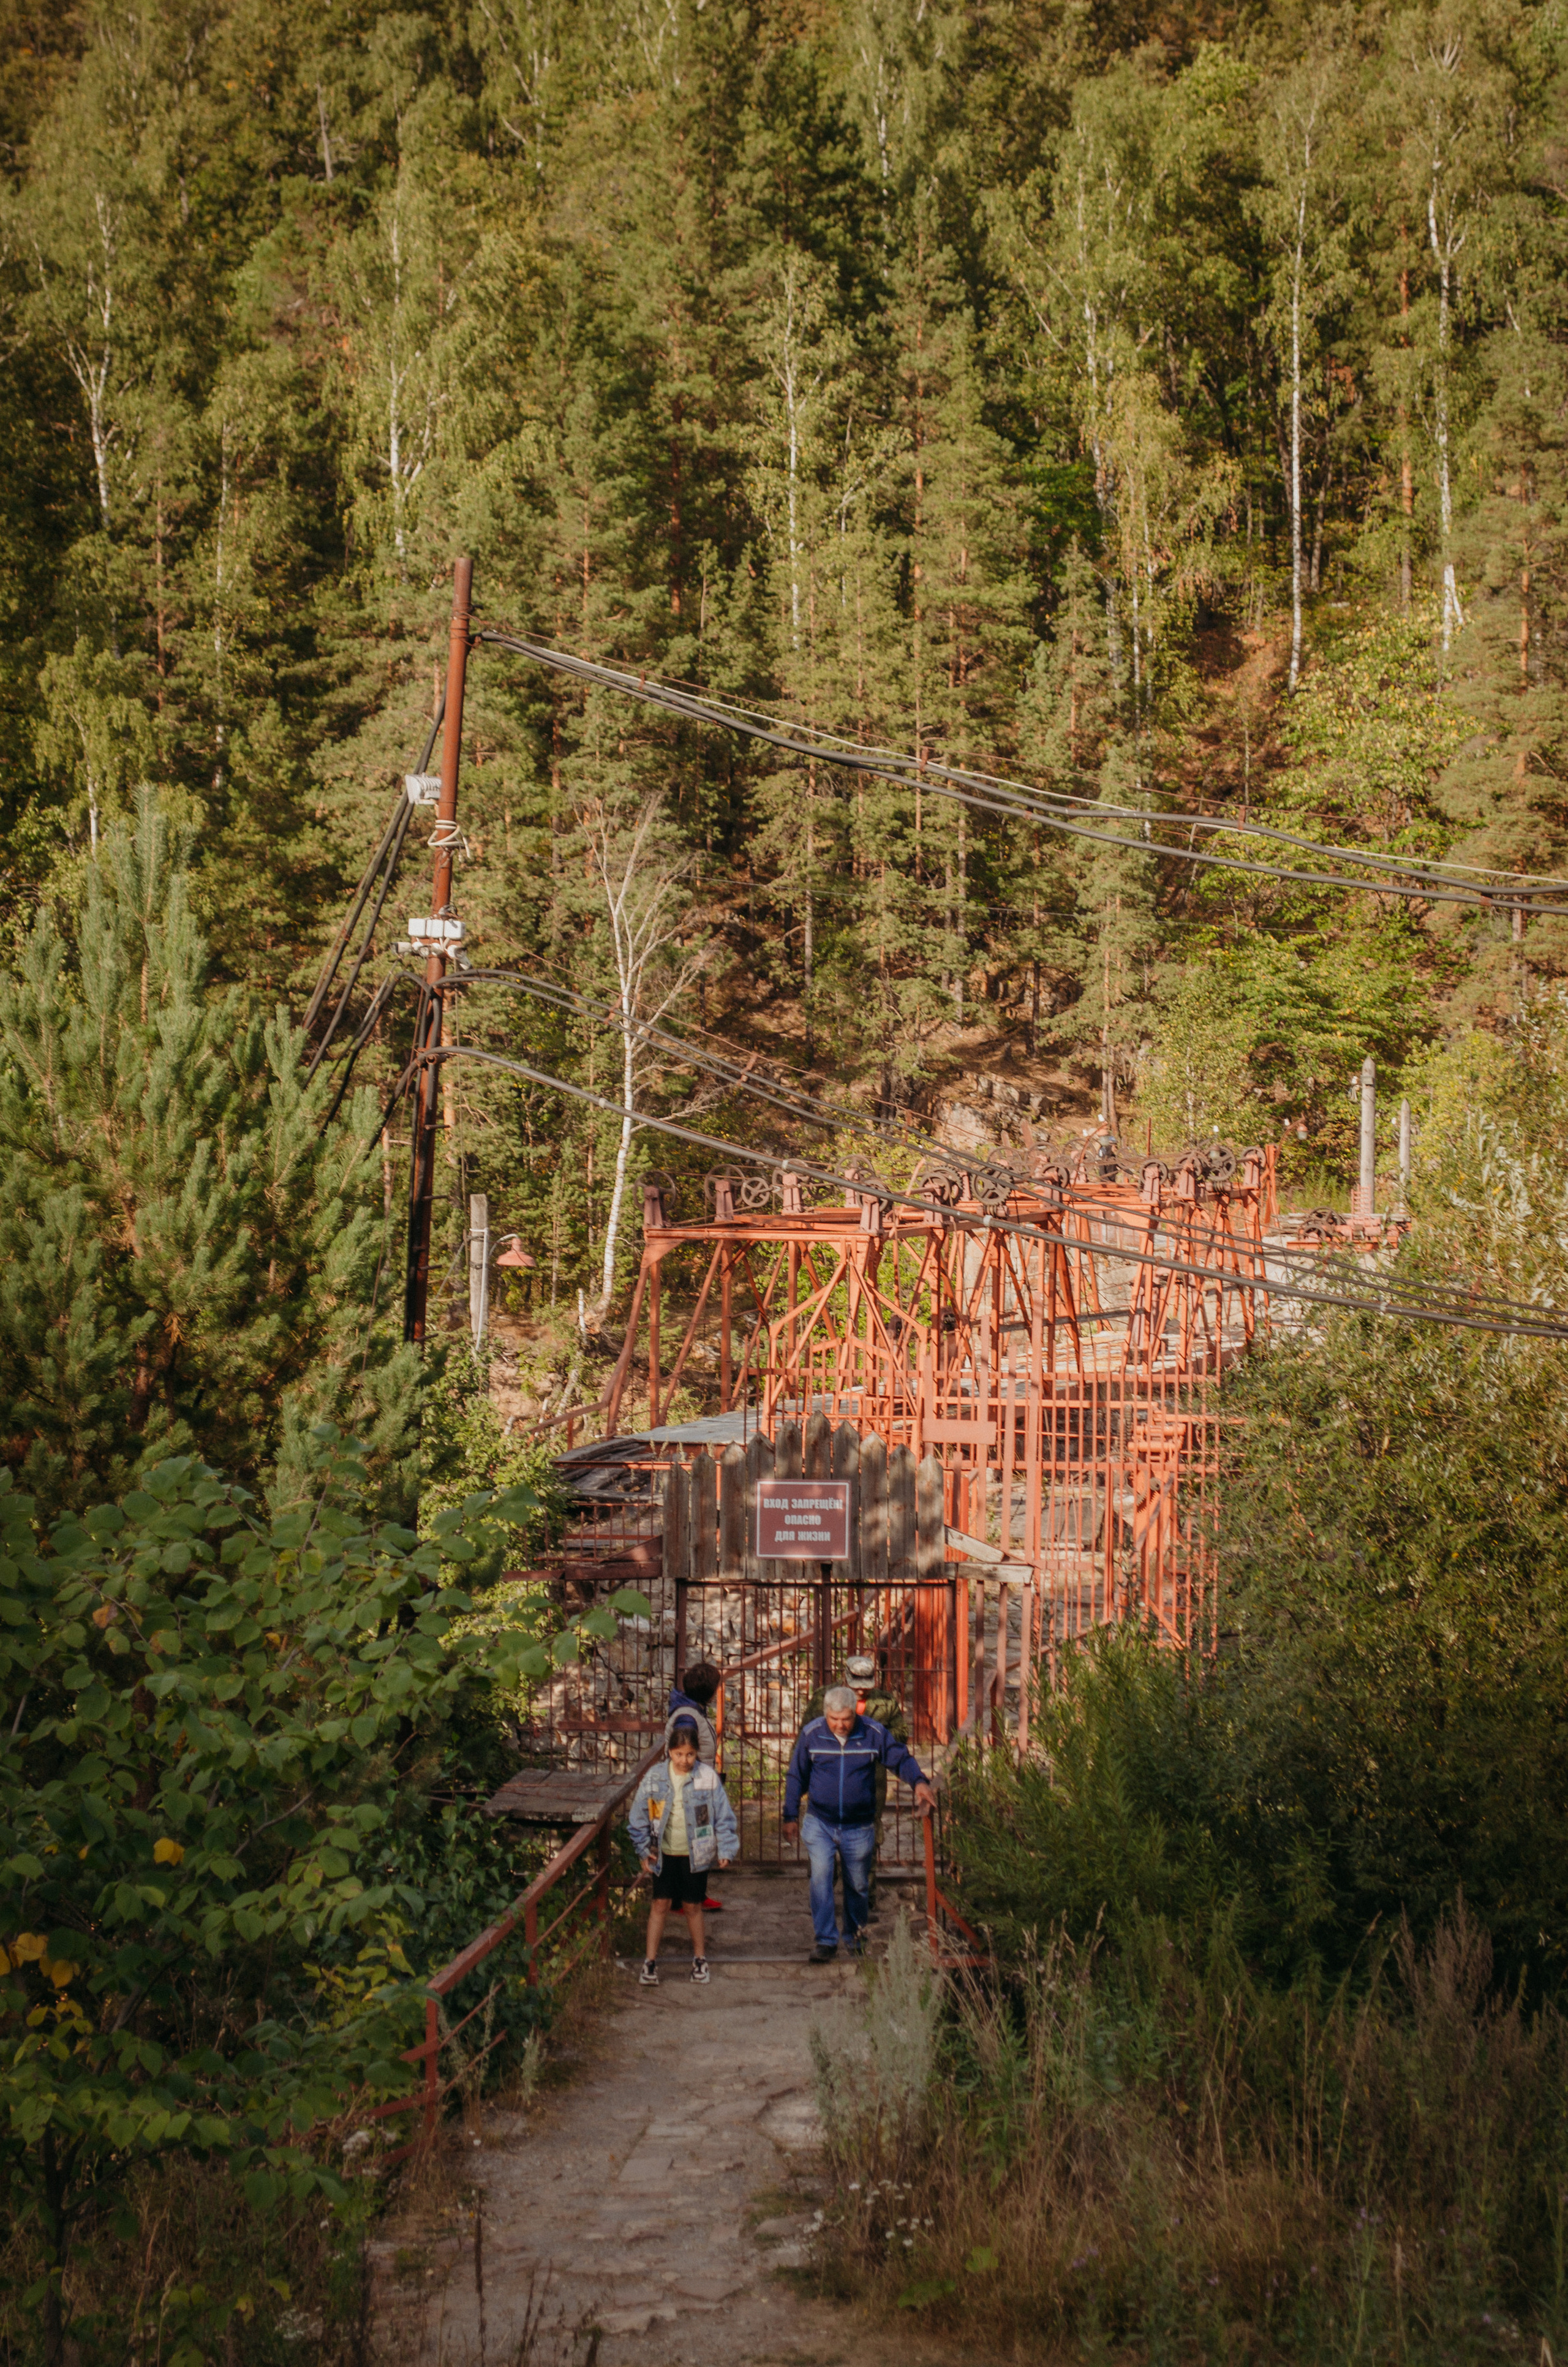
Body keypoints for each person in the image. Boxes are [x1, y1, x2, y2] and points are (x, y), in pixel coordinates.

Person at [782, 1685, 936, 1962]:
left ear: (856, 1714)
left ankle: (854, 1936)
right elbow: (796, 1776)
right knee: (821, 1878)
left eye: (846, 1719)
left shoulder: (873, 1733)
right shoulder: (812, 1735)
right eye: (834, 1719)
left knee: (858, 1885)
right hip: (821, 1823)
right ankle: (826, 1941)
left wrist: (920, 1782)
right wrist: (790, 1815)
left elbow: (900, 1758)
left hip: (859, 1826)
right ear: (826, 1714)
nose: (840, 1725)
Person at [628, 1716, 738, 1987]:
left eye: (690, 1754)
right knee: (660, 1904)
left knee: (692, 1906)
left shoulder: (707, 1778)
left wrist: (725, 1848)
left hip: (696, 1855)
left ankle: (700, 1959)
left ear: (697, 1753)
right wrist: (643, 1851)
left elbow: (723, 1816)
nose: (684, 1760)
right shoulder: (655, 1777)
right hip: (662, 1855)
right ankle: (650, 1962)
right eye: (679, 1754)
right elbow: (638, 1818)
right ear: (669, 1751)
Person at [664, 1661, 724, 1912]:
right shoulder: (688, 1717)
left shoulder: (691, 1711)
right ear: (709, 1692)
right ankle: (685, 1899)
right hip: (690, 1790)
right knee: (691, 1844)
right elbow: (684, 1752)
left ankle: (695, 1894)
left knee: (699, 1842)